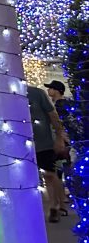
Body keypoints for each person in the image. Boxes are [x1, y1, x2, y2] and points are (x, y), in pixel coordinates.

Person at [27, 82, 69, 222]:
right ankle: (56, 205)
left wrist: (59, 137)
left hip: (43, 142)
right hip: (22, 145)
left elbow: (53, 116)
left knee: (49, 174)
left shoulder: (36, 93)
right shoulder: (5, 94)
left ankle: (55, 206)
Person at [45, 80, 80, 220]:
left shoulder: (59, 106)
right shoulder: (64, 104)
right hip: (66, 141)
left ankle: (69, 196)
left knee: (62, 169)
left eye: (51, 89)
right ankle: (67, 197)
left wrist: (63, 137)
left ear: (57, 90)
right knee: (64, 168)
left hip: (63, 142)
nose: (48, 91)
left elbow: (62, 124)